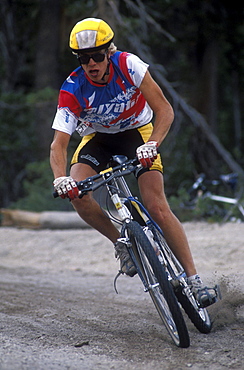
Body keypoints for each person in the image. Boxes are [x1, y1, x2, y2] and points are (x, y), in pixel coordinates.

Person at [50, 17, 218, 307]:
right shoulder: (72, 88)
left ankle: (194, 279)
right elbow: (59, 144)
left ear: (109, 53)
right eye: (84, 58)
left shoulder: (129, 65)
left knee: (156, 205)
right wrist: (59, 178)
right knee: (77, 193)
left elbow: (164, 110)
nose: (91, 63)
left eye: (97, 56)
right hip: (99, 139)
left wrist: (152, 144)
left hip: (138, 134)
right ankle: (121, 244)